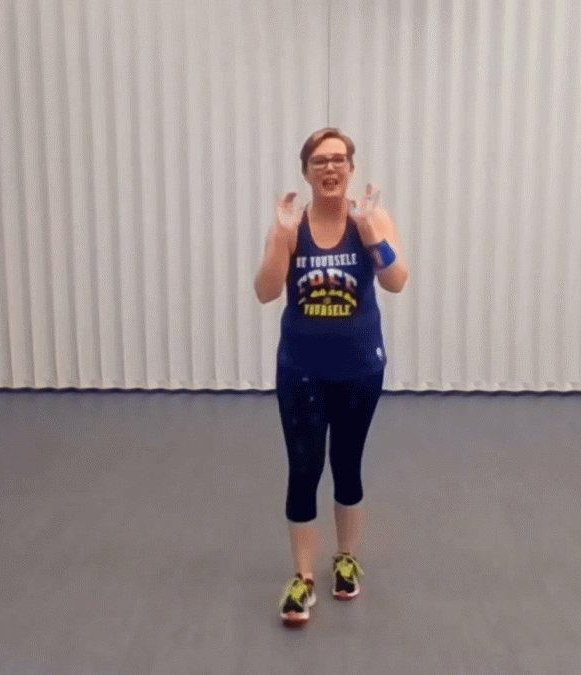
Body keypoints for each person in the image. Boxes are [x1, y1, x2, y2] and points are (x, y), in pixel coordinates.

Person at [254, 128, 409, 627]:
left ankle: (346, 558)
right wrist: (280, 241)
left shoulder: (373, 218)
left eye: (339, 159)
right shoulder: (290, 224)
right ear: (306, 170)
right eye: (320, 160)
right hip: (301, 369)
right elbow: (264, 291)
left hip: (361, 366)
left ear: (351, 168)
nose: (330, 167)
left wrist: (369, 234)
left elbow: (397, 280)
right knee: (303, 470)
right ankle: (302, 579)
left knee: (347, 463)